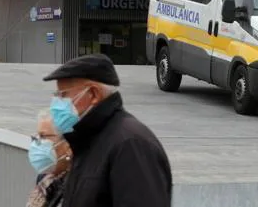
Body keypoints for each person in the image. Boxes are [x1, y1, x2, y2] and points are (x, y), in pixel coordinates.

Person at [43, 54, 172, 207]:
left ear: (93, 94)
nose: (56, 104)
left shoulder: (131, 145)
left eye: (63, 95)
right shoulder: (86, 142)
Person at [27, 110, 72, 207]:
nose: (37, 143)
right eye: (36, 137)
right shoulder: (45, 179)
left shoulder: (79, 183)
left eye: (43, 136)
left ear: (68, 144)